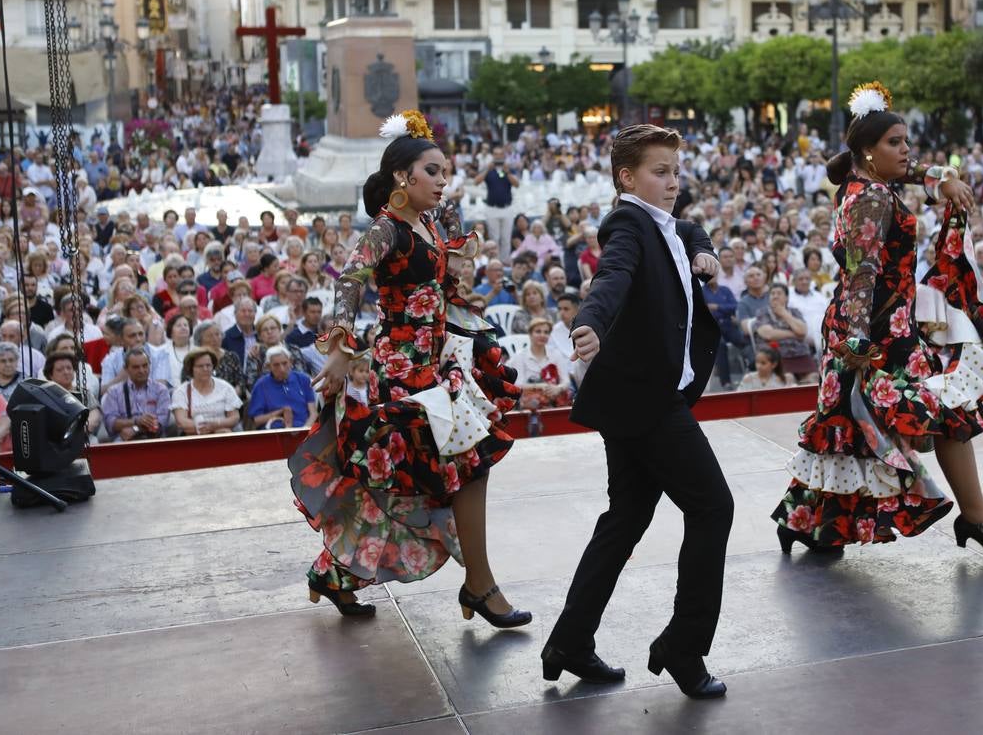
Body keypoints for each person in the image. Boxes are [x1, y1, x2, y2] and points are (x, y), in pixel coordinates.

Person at [290, 110, 528, 625]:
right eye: (434, 172)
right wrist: (339, 347)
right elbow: (350, 279)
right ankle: (480, 588)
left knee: (408, 485)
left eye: (445, 172)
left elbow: (441, 283)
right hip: (402, 372)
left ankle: (336, 575)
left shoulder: (430, 223)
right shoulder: (387, 229)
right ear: (404, 177)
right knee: (459, 470)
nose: (444, 181)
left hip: (435, 365)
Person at [772, 83, 983, 569]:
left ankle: (810, 525)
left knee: (845, 427)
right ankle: (976, 519)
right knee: (941, 414)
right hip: (873, 336)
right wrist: (861, 340)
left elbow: (910, 174)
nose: (907, 151)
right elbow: (862, 274)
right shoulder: (873, 200)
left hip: (882, 330)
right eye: (896, 143)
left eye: (908, 141)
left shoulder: (867, 184)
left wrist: (942, 176)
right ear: (869, 150)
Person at [544, 124, 731, 698]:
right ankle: (684, 645)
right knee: (712, 506)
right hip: (648, 401)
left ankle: (571, 640)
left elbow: (687, 226)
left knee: (626, 517)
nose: (674, 183)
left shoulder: (662, 219)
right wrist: (591, 323)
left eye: (676, 172)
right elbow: (613, 275)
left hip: (632, 396)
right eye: (661, 172)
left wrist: (702, 247)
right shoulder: (628, 223)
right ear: (627, 178)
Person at [100, 346, 174, 440]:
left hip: (154, 437)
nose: (141, 370)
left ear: (149, 365)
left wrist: (135, 428)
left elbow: (161, 423)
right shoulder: (114, 392)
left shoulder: (161, 390)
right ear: (126, 369)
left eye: (145, 365)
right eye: (136, 367)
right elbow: (110, 423)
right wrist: (136, 421)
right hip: (123, 439)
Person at [172, 347, 243, 435]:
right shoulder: (181, 392)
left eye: (208, 365)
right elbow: (181, 422)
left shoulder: (225, 387)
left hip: (222, 434)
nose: (205, 369)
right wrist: (208, 429)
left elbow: (234, 417)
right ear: (191, 369)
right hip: (194, 437)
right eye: (200, 366)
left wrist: (216, 425)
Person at [507, 316, 574, 409]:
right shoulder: (520, 356)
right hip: (527, 402)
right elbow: (518, 385)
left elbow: (566, 381)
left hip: (553, 399)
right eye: (538, 331)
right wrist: (540, 386)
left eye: (546, 332)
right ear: (530, 334)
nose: (542, 335)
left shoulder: (556, 354)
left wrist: (557, 388)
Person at [247, 345, 317, 429]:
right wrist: (280, 412)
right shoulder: (261, 385)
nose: (282, 369)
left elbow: (313, 413)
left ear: (290, 362)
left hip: (303, 429)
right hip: (274, 433)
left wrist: (305, 430)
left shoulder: (303, 379)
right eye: (276, 365)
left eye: (285, 363)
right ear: (268, 367)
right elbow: (257, 420)